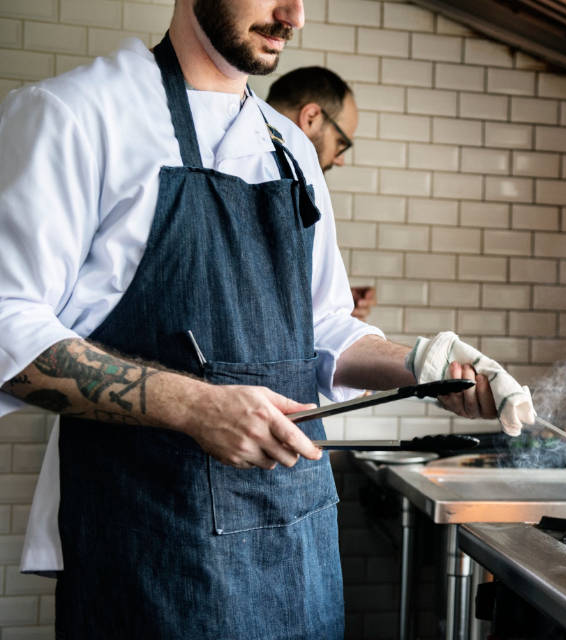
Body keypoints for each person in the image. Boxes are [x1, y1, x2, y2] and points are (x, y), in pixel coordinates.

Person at [0, 1, 534, 637]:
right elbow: (8, 325)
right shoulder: (77, 115)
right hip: (150, 550)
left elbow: (323, 328)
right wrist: (196, 407)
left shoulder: (291, 153)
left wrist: (422, 366)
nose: (294, 15)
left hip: (297, 550)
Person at [266, 66, 375, 320]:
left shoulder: (298, 184)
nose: (340, 160)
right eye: (341, 143)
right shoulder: (273, 182)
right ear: (311, 117)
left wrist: (328, 301)